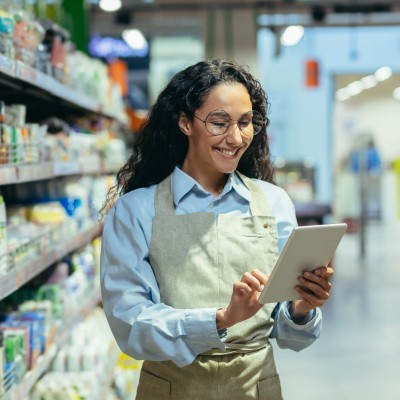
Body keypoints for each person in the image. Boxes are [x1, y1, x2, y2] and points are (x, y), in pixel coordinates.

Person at [100, 59, 333, 400]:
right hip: (171, 388)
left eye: (245, 122)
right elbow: (131, 324)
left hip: (256, 386)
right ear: (184, 123)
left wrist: (302, 308)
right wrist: (221, 319)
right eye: (219, 122)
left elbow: (290, 335)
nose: (235, 137)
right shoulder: (135, 210)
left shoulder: (273, 203)